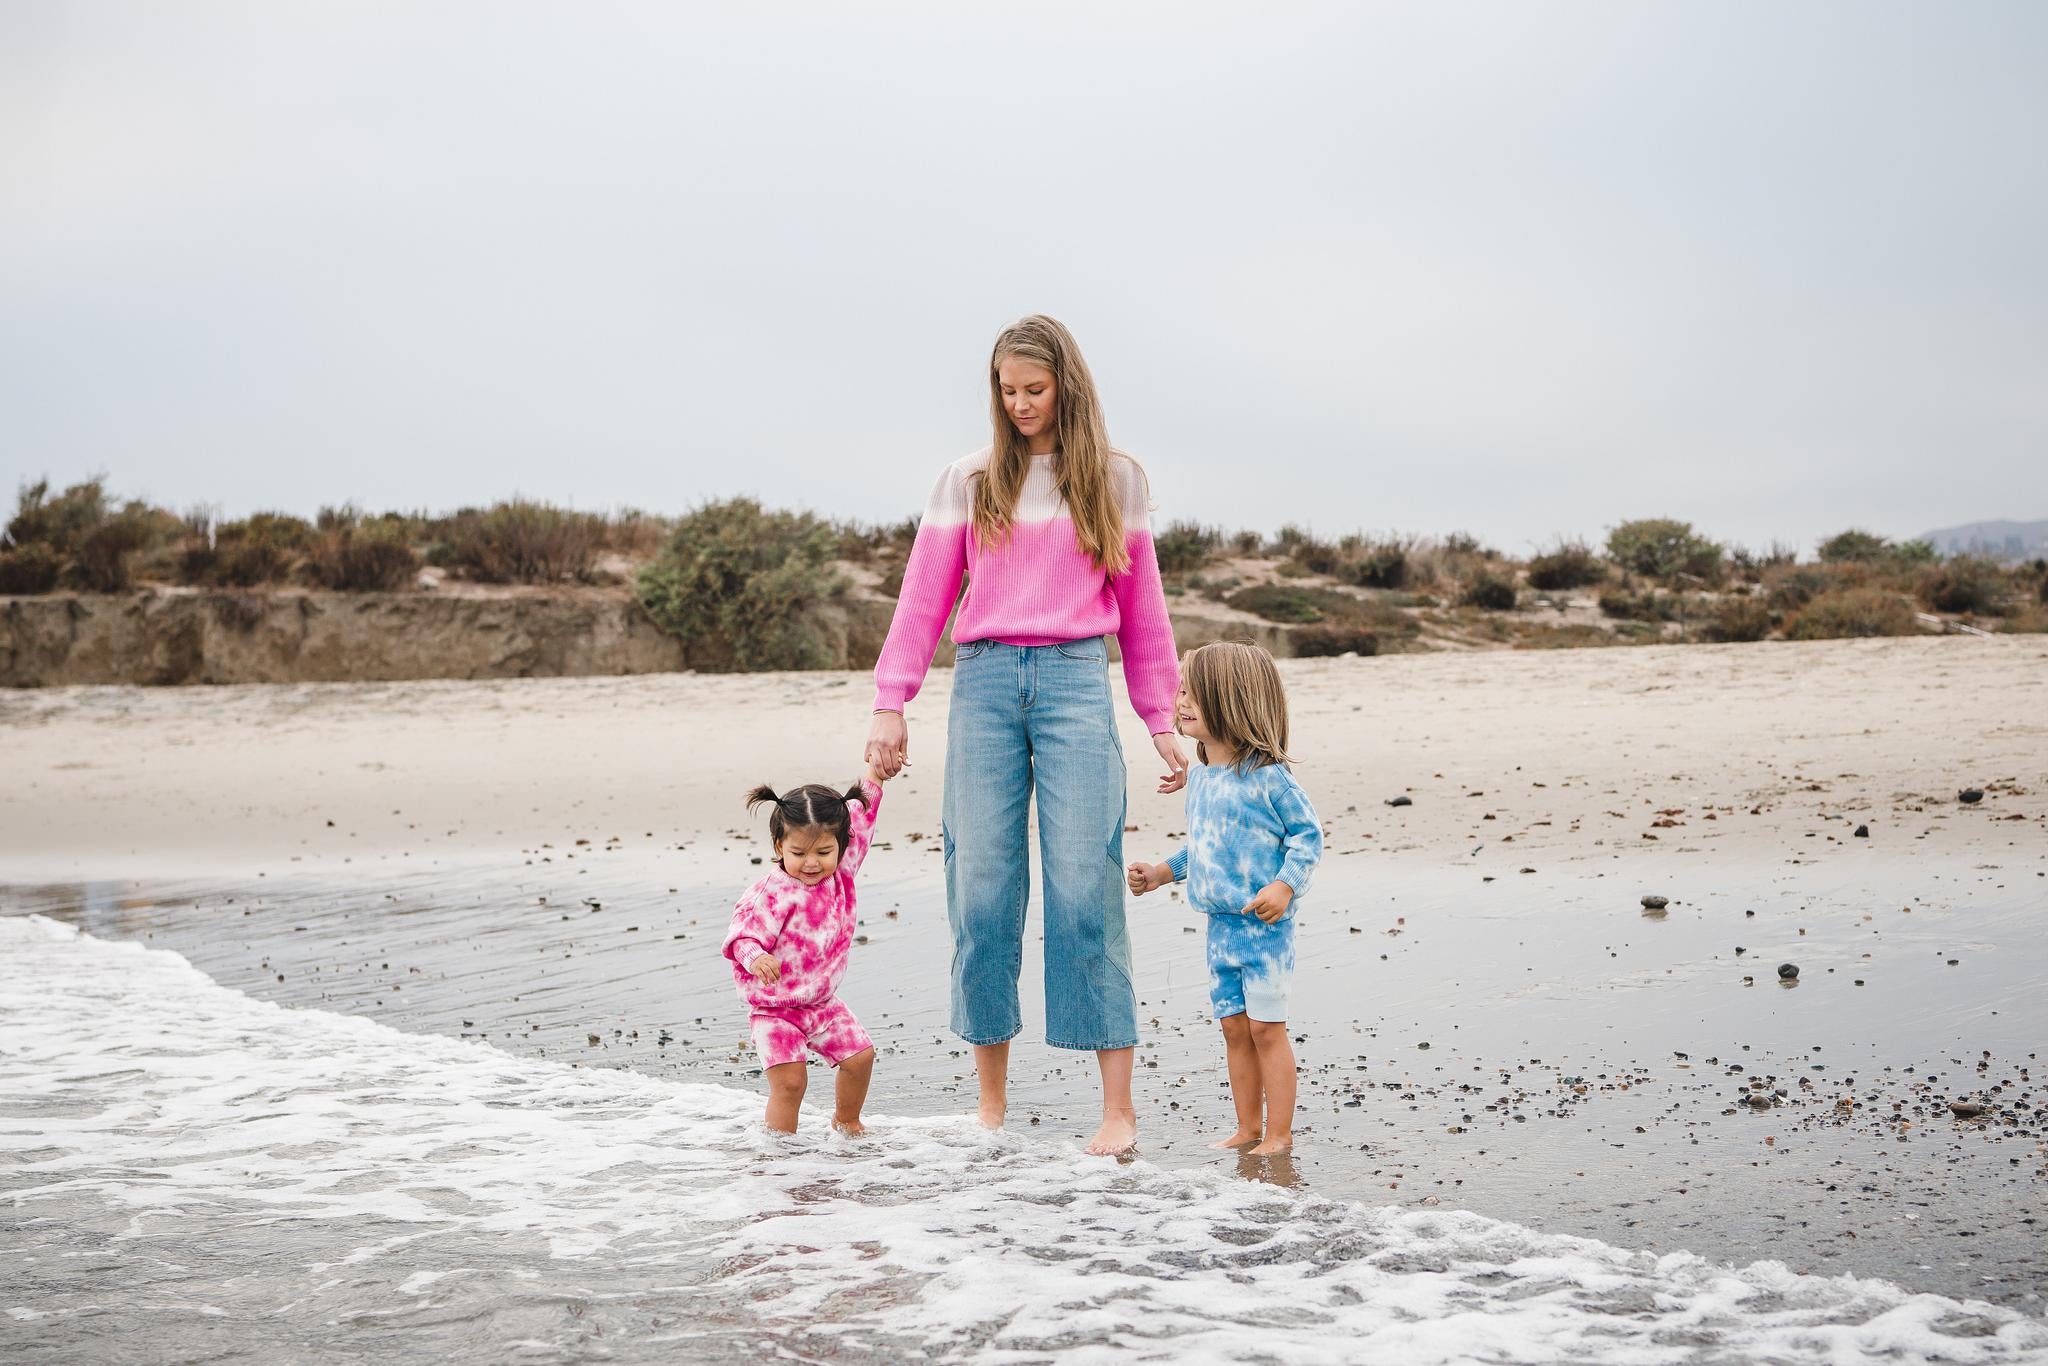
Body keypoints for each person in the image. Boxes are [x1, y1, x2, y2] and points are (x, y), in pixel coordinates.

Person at [864, 314, 1186, 1156]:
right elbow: (922, 602)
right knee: (982, 888)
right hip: (983, 686)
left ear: (1066, 386)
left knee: (1086, 885)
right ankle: (990, 1108)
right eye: (1007, 393)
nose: (1019, 406)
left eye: (1034, 391)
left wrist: (1163, 716)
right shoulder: (968, 481)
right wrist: (889, 703)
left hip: (1078, 678)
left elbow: (1144, 610)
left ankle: (1117, 1113)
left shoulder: (1115, 480)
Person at [1127, 641, 1321, 1156]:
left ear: (1232, 699)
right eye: (1180, 690)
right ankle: (1248, 1127)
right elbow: (1203, 848)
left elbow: (1308, 836)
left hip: (1265, 929)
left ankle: (1279, 1134)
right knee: (1235, 1028)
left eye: (1194, 691)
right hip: (1221, 929)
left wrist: (1285, 885)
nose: (1180, 701)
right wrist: (1163, 872)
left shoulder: (1269, 777)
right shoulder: (1203, 780)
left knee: (1265, 1028)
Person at [721, 764, 888, 1136]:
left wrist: (875, 776)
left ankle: (847, 1121)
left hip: (822, 1002)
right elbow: (741, 937)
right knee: (791, 1083)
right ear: (779, 846)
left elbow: (863, 817)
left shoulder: (842, 872)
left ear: (841, 847)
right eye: (798, 852)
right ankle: (780, 1153)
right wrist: (756, 957)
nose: (812, 863)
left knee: (860, 1057)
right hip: (774, 1009)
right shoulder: (772, 893)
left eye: (824, 852)